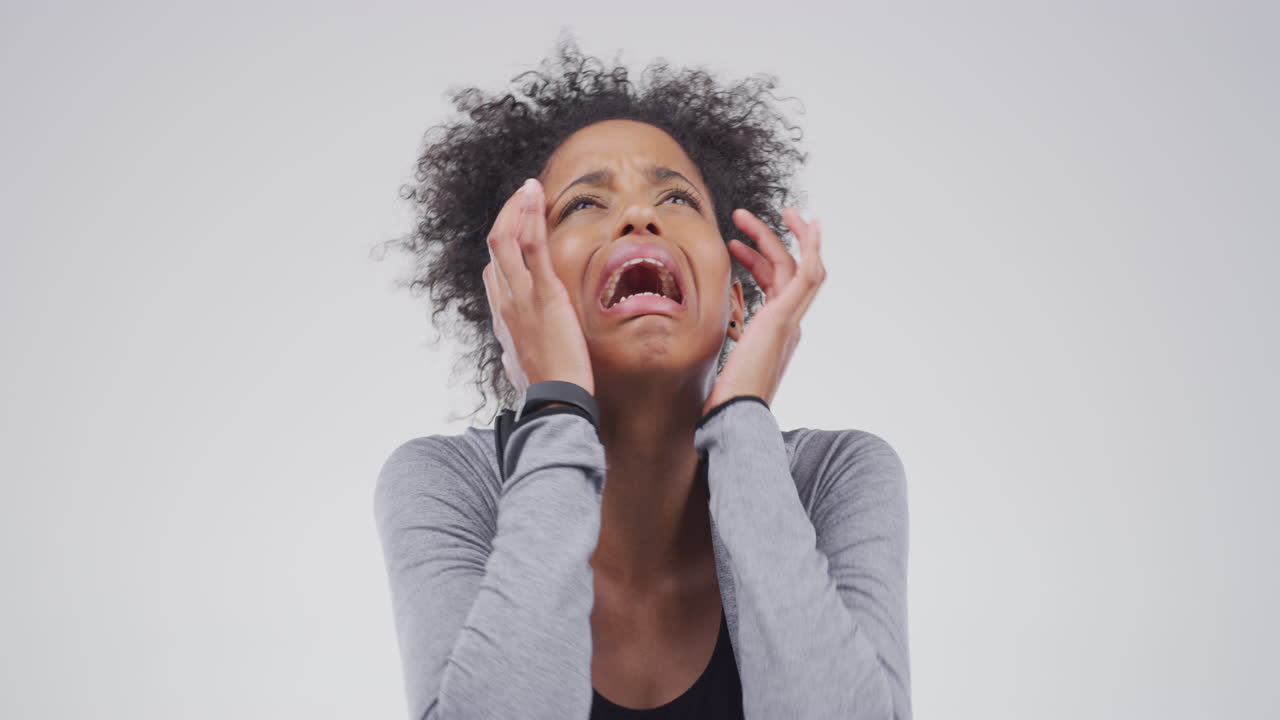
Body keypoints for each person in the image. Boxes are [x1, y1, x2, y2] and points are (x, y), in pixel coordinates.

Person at [374, 36, 911, 720]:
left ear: (738, 303)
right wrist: (557, 405)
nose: (638, 214)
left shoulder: (838, 476)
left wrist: (742, 411)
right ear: (517, 296)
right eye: (584, 204)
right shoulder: (448, 485)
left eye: (678, 198)